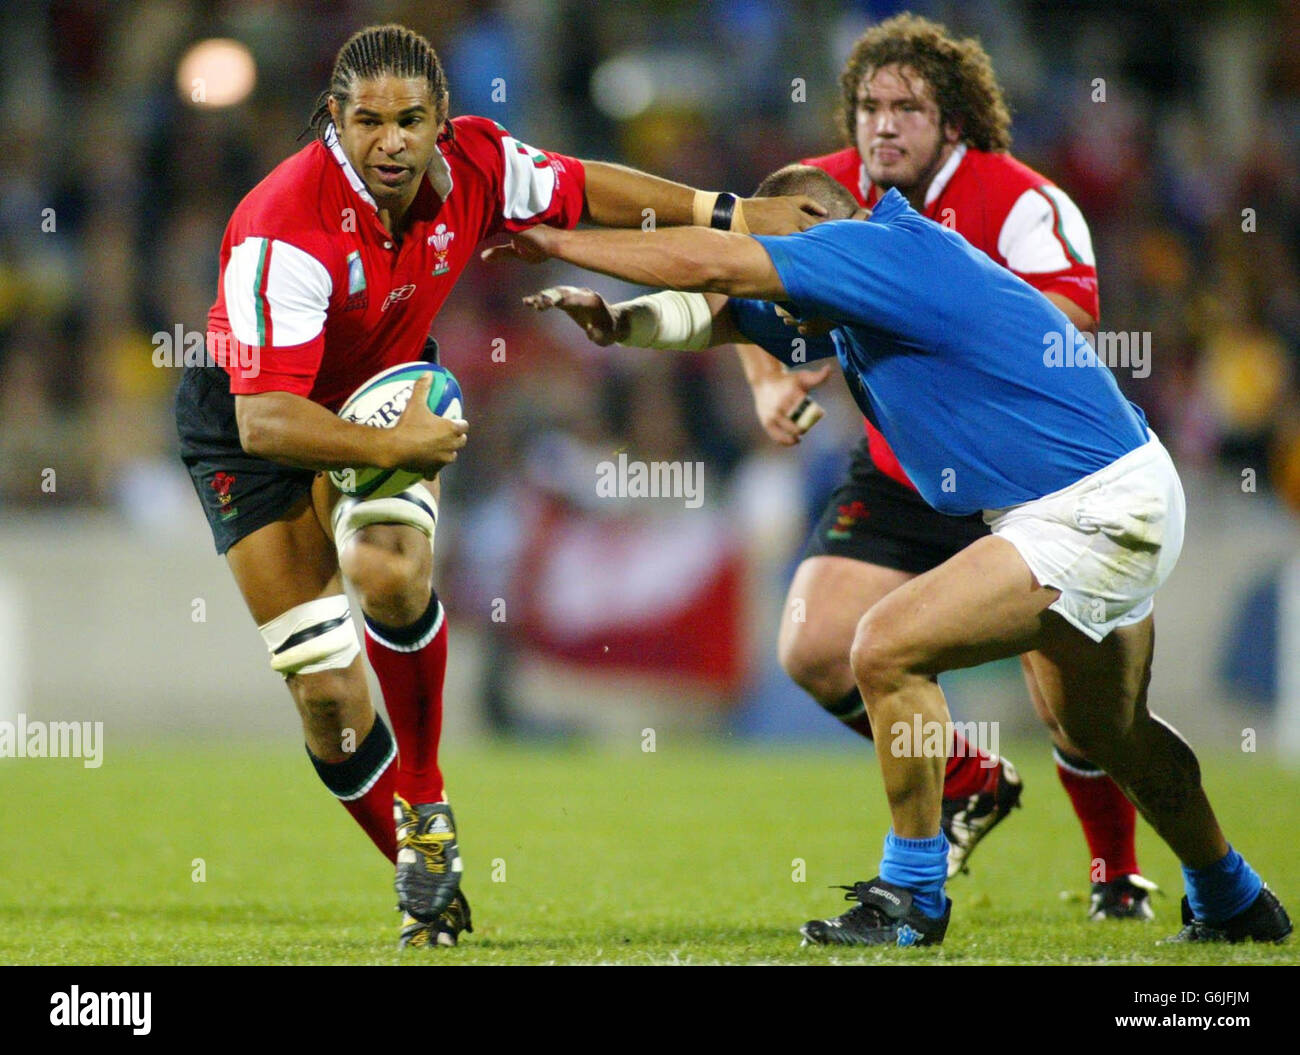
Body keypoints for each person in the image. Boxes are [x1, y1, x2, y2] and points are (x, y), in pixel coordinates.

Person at [492, 166, 1292, 949]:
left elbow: (710, 260)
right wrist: (619, 322)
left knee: (882, 645)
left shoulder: (883, 248)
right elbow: (722, 314)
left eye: (769, 244)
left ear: (812, 220)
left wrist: (561, 237)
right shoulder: (843, 295)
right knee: (1109, 729)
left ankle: (910, 896)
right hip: (1114, 486)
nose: (765, 274)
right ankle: (1232, 894)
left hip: (1086, 505)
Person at [175, 22, 824, 950]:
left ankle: (426, 799)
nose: (390, 141)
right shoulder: (286, 228)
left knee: (388, 571)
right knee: (324, 694)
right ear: (333, 120)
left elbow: (591, 186)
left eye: (410, 120)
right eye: (367, 121)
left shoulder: (479, 163)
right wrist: (390, 438)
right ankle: (425, 874)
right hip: (254, 424)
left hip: (378, 382)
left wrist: (726, 216)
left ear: (443, 119)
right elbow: (264, 419)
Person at [734, 14, 1151, 917]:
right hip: (898, 467)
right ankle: (968, 778)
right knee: (813, 647)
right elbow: (738, 280)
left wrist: (936, 325)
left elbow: (1072, 326)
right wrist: (769, 381)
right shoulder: (823, 192)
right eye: (869, 108)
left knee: (1080, 709)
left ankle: (1117, 872)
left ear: (953, 122)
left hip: (1017, 478)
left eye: (908, 109)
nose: (883, 126)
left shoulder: (1023, 202)